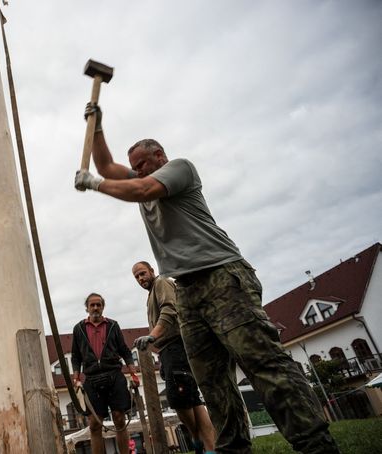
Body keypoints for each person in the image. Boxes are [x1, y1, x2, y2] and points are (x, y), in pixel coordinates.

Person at [74, 105, 340, 454]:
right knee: (211, 381)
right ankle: (233, 448)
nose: (137, 171)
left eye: (142, 164)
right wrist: (97, 129)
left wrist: (94, 184)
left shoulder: (179, 169)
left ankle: (316, 444)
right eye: (135, 167)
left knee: (263, 364)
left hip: (222, 277)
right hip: (187, 289)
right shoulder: (141, 179)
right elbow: (108, 167)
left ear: (160, 156)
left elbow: (135, 188)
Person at [132, 260, 215, 454]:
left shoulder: (161, 282)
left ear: (152, 270)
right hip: (168, 350)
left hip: (176, 346)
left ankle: (196, 438)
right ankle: (209, 448)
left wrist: (153, 335)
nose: (140, 278)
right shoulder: (151, 293)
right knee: (193, 399)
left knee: (178, 399)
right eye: (136, 277)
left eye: (143, 273)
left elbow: (170, 309)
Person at [71, 293, 138, 454]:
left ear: (103, 307)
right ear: (87, 308)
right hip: (92, 378)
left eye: (98, 305)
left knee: (119, 419)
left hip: (114, 375)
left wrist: (133, 373)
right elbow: (75, 356)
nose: (95, 308)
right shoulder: (79, 328)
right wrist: (76, 377)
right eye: (92, 305)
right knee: (94, 424)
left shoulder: (113, 326)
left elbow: (125, 351)